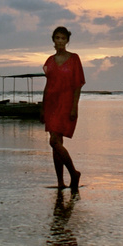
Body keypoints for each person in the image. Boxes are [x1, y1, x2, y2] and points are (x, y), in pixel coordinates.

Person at [42, 26, 84, 189]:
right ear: (53, 40)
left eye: (63, 38)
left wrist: (74, 107)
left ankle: (74, 173)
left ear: (67, 41)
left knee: (54, 142)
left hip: (66, 104)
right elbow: (48, 85)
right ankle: (60, 181)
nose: (60, 41)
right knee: (55, 143)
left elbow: (78, 85)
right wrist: (42, 107)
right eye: (57, 38)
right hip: (51, 104)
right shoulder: (49, 61)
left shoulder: (74, 58)